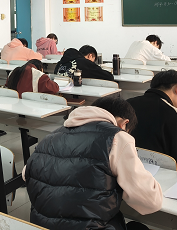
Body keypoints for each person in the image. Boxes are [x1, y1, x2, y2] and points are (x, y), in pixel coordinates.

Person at [24, 96, 162, 230]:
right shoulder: (117, 137)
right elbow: (151, 201)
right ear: (123, 124)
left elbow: (26, 174)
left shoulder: (49, 138)